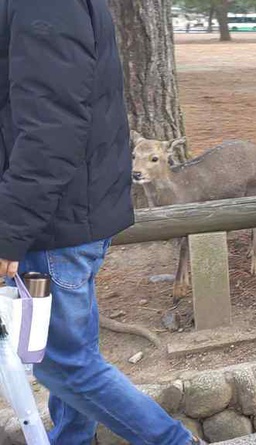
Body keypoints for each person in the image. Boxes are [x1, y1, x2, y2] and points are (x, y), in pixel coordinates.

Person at [0, 2, 202, 444]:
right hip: (60, 218)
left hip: (51, 227)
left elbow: (50, 129)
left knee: (61, 362)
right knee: (71, 355)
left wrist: (10, 230)